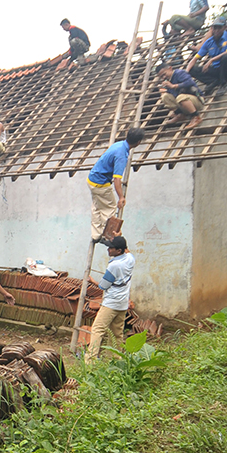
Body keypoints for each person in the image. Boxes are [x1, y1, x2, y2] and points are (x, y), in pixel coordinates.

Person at [87, 127, 145, 243]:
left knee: (97, 207)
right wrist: (121, 197)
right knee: (109, 209)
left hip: (92, 179)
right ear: (138, 143)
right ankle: (107, 237)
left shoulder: (118, 144)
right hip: (101, 184)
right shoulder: (121, 155)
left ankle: (95, 235)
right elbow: (117, 179)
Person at [86, 236, 135, 364]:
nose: (108, 249)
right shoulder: (130, 259)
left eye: (111, 248)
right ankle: (114, 359)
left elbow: (103, 286)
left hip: (111, 304)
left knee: (97, 330)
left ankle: (90, 360)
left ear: (118, 251)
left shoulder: (114, 266)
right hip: (123, 304)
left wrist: (92, 281)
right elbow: (128, 251)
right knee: (117, 333)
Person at [186, 17, 227, 98]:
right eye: (215, 28)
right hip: (216, 69)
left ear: (225, 27)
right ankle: (213, 81)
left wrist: (212, 60)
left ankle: (223, 84)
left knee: (226, 57)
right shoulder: (209, 42)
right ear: (212, 28)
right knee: (192, 69)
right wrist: (186, 72)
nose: (217, 30)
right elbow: (195, 58)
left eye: (219, 28)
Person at [156, 62, 204, 129]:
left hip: (196, 100)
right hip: (183, 103)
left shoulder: (179, 73)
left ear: (170, 68)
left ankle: (196, 116)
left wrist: (174, 86)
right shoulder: (168, 81)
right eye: (161, 77)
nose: (164, 77)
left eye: (164, 74)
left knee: (180, 97)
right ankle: (180, 114)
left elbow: (190, 82)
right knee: (165, 96)